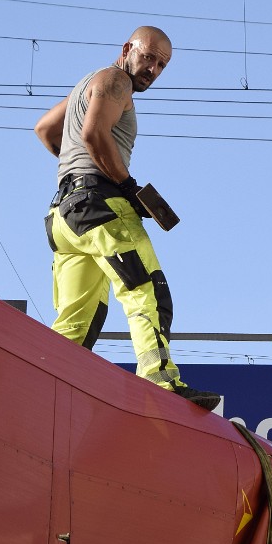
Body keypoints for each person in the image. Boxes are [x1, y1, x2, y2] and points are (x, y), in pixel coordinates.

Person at [34, 26, 220, 411]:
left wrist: (78, 173)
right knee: (147, 290)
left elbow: (46, 129)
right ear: (126, 49)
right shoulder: (117, 80)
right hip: (102, 209)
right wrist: (125, 186)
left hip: (66, 217)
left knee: (76, 319)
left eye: (161, 64)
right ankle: (161, 385)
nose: (153, 68)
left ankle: (40, 386)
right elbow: (94, 134)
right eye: (148, 56)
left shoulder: (89, 84)